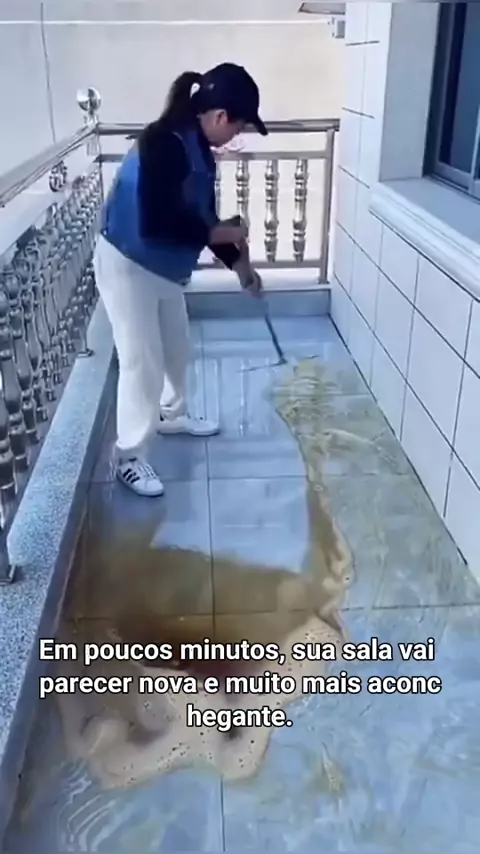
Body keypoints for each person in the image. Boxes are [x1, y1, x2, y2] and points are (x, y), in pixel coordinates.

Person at [94, 63, 267, 498]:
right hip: (128, 262)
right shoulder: (162, 142)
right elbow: (158, 222)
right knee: (142, 361)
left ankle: (171, 415)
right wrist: (221, 233)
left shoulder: (200, 150)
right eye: (239, 126)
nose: (238, 135)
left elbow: (199, 217)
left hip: (163, 267)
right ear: (220, 116)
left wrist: (240, 267)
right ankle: (129, 455)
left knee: (176, 347)